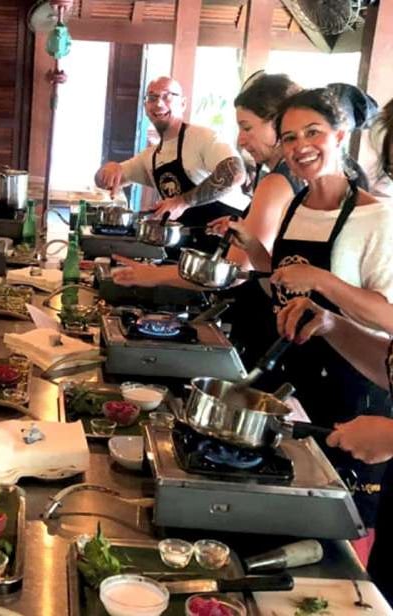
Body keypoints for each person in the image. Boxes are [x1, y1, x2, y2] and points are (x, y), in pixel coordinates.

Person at [220, 88, 393, 529]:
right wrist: (252, 246)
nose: (301, 146)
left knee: (338, 520)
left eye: (313, 132)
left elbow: (388, 317)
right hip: (293, 371)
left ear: (340, 135)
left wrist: (322, 281)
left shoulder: (375, 217)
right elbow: (283, 278)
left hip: (350, 384)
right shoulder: (298, 203)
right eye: (290, 137)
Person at [111, 73, 303, 362]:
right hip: (278, 318)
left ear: (277, 123)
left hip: (268, 322)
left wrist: (150, 275)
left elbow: (233, 271)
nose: (241, 140)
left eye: (247, 127)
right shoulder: (283, 177)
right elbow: (268, 263)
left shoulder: (275, 182)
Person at [94, 75, 249, 254]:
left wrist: (182, 202)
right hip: (186, 250)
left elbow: (235, 173)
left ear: (182, 104)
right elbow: (102, 181)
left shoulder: (203, 137)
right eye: (152, 98)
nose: (159, 104)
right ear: (146, 106)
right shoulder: (149, 157)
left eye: (167, 96)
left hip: (230, 244)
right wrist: (109, 169)